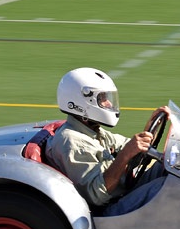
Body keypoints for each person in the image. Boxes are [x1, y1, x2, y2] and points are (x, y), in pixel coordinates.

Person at [45, 67, 167, 215]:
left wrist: (148, 131)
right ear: (82, 102)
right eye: (102, 98)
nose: (109, 103)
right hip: (109, 210)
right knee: (169, 187)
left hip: (125, 189)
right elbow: (97, 195)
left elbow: (127, 146)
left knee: (171, 172)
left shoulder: (91, 131)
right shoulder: (71, 142)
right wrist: (125, 155)